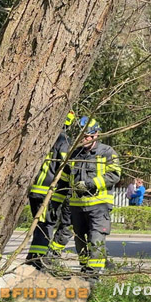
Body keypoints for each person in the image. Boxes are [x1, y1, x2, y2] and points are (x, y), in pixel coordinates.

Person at [60, 117, 121, 274]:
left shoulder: (107, 152)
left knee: (96, 240)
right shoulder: (74, 154)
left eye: (87, 136)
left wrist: (90, 184)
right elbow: (65, 179)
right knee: (80, 242)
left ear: (96, 135)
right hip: (77, 206)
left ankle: (94, 275)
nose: (84, 139)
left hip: (99, 205)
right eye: (81, 136)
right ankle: (84, 269)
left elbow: (114, 175)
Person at [26, 111, 74, 268]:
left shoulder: (43, 137)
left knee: (39, 223)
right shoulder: (63, 140)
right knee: (46, 225)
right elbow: (68, 165)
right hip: (49, 192)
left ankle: (32, 256)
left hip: (35, 190)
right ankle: (39, 261)